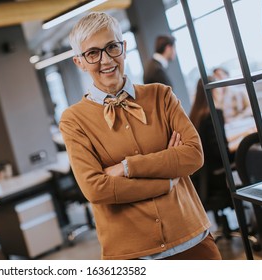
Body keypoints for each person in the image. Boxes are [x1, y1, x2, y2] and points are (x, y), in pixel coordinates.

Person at [59, 12, 221, 260]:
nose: (106, 60)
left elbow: (193, 155)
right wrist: (167, 179)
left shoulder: (161, 96)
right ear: (79, 62)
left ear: (123, 48)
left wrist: (126, 167)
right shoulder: (74, 120)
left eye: (112, 47)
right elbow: (96, 189)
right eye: (92, 53)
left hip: (192, 239)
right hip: (131, 254)